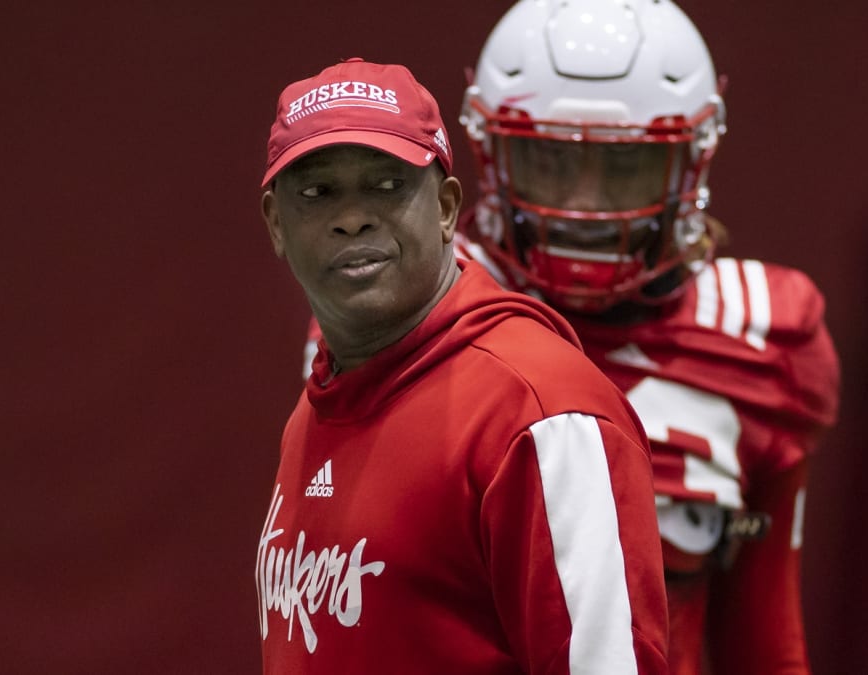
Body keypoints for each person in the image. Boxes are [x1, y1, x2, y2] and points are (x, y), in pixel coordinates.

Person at [456, 2, 841, 674]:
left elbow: (764, 638)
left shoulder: (760, 340)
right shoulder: (423, 319)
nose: (582, 206)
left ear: (692, 164)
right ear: (491, 153)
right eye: (549, 160)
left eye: (625, 167)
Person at [254, 57, 670, 674]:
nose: (352, 216)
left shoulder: (540, 411)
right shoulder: (323, 401)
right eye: (317, 193)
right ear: (276, 225)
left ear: (448, 208)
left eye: (387, 184)